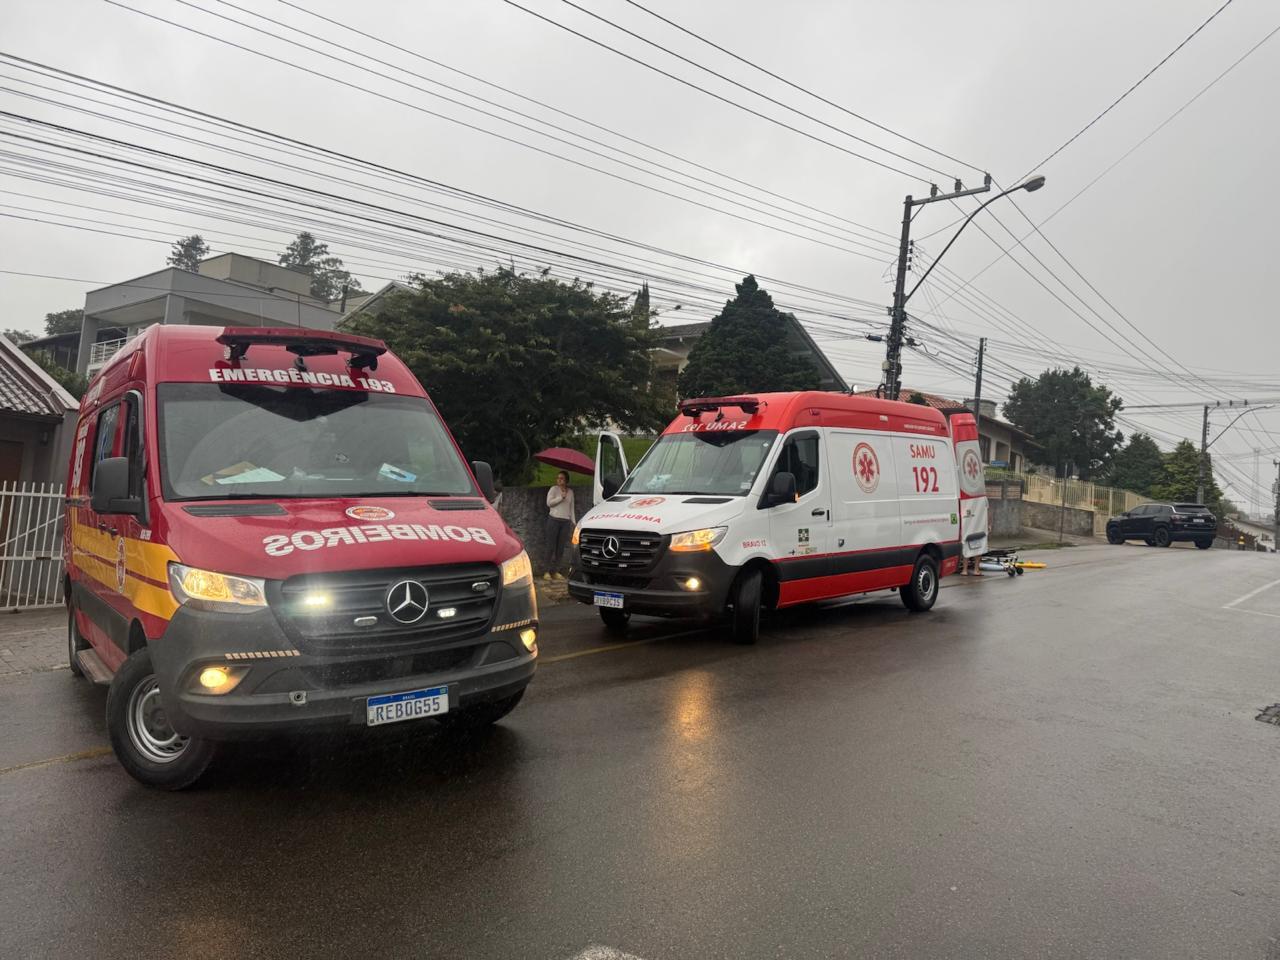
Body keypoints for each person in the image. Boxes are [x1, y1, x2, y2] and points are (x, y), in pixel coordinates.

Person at [543, 470, 575, 580]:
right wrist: (561, 497)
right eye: (558, 478)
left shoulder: (570, 492)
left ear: (566, 480)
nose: (559, 480)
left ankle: (556, 571)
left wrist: (574, 522)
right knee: (550, 546)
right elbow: (549, 503)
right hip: (553, 520)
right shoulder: (553, 489)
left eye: (561, 478)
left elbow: (571, 508)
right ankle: (546, 571)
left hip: (565, 521)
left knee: (560, 548)